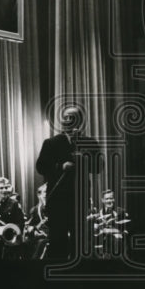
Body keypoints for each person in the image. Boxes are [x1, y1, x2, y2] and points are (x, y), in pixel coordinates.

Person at [35, 106, 103, 259]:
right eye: (65, 117)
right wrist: (60, 166)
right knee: (57, 241)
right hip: (57, 199)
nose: (66, 120)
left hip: (79, 199)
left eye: (71, 117)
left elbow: (99, 167)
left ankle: (76, 278)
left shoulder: (89, 142)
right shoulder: (51, 143)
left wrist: (82, 156)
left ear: (80, 120)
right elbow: (41, 167)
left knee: (79, 242)